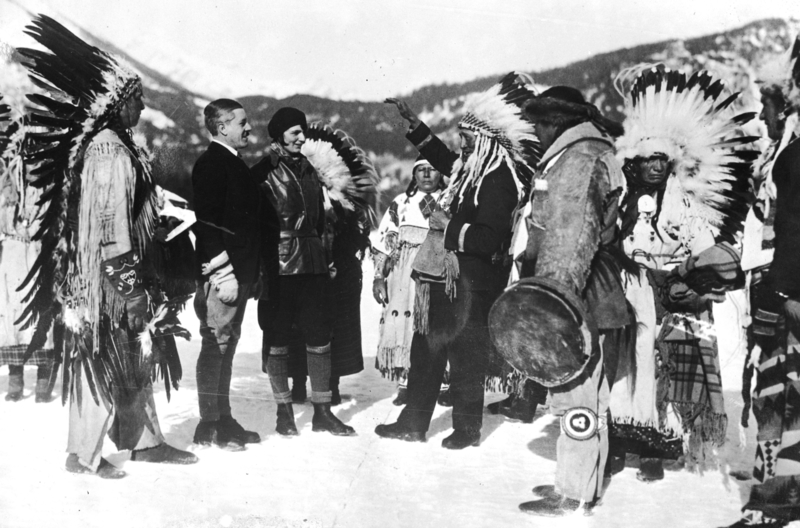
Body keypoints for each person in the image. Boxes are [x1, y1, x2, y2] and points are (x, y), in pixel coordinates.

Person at [14, 15, 197, 478]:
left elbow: (129, 214)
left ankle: (144, 442)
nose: (143, 104)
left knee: (132, 354)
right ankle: (83, 454)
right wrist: (130, 286)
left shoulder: (121, 145)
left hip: (120, 273)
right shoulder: (108, 152)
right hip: (108, 280)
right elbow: (109, 223)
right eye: (136, 97)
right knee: (100, 358)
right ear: (116, 103)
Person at [376, 73, 538, 448]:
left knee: (467, 358)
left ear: (485, 141)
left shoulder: (498, 180)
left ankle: (467, 428)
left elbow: (487, 239)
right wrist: (415, 126)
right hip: (443, 281)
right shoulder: (473, 170)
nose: (460, 146)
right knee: (426, 351)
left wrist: (450, 227)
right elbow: (444, 158)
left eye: (466, 140)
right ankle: (413, 422)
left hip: (472, 285)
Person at [610, 67, 756, 482]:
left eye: (661, 161)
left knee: (666, 370)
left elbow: (707, 248)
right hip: (630, 291)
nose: (655, 168)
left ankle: (658, 444)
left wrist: (684, 277)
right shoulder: (621, 204)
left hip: (673, 295)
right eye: (647, 162)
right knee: (629, 367)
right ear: (633, 166)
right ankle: (623, 436)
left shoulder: (686, 206)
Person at [493, 86, 630, 515]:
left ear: (556, 121)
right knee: (590, 397)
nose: (535, 130)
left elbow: (569, 237)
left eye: (537, 123)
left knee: (578, 398)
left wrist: (552, 302)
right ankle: (583, 480)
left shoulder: (579, 160)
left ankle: (572, 493)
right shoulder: (585, 153)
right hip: (593, 291)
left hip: (578, 295)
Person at [722, 38, 800, 528]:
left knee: (782, 389)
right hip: (777, 283)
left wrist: (785, 291)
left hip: (787, 287)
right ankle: (775, 488)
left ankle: (777, 497)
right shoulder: (783, 153)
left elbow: (792, 226)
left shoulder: (793, 155)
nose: (764, 114)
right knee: (776, 387)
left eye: (768, 103)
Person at [253, 107, 355, 437]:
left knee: (320, 336)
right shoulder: (264, 171)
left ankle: (322, 412)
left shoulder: (311, 169)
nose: (301, 137)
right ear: (278, 134)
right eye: (294, 132)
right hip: (279, 265)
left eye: (303, 132)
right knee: (279, 337)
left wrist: (327, 254)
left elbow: (321, 219)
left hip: (313, 264)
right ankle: (284, 412)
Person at [192, 98, 265, 450]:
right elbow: (206, 225)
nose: (248, 128)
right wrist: (223, 274)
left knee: (227, 345)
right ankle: (209, 424)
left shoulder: (231, 163)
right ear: (223, 128)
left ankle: (222, 417)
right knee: (216, 344)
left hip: (240, 272)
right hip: (223, 274)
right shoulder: (212, 164)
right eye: (242, 123)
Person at [0, 82, 59, 403]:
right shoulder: (4, 182)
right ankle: (15, 379)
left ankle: (44, 382)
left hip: (38, 252)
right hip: (11, 253)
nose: (28, 154)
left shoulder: (48, 179)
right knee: (11, 316)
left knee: (41, 315)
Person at [372, 155, 447, 405]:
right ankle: (406, 379)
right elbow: (384, 242)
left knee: (437, 324)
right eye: (421, 170)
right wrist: (378, 277)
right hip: (404, 276)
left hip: (438, 271)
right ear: (414, 175)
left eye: (432, 169)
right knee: (406, 325)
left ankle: (445, 382)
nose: (426, 175)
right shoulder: (400, 203)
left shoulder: (450, 200)